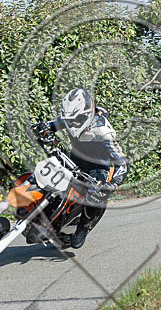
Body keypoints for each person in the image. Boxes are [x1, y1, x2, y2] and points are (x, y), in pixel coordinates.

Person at [32, 88, 128, 249]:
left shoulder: (104, 132)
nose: (72, 123)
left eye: (77, 119)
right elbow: (51, 126)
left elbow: (123, 163)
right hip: (73, 159)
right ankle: (37, 211)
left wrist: (114, 183)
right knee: (43, 173)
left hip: (97, 168)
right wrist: (42, 129)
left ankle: (83, 228)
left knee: (97, 196)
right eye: (69, 119)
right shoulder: (69, 118)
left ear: (88, 113)